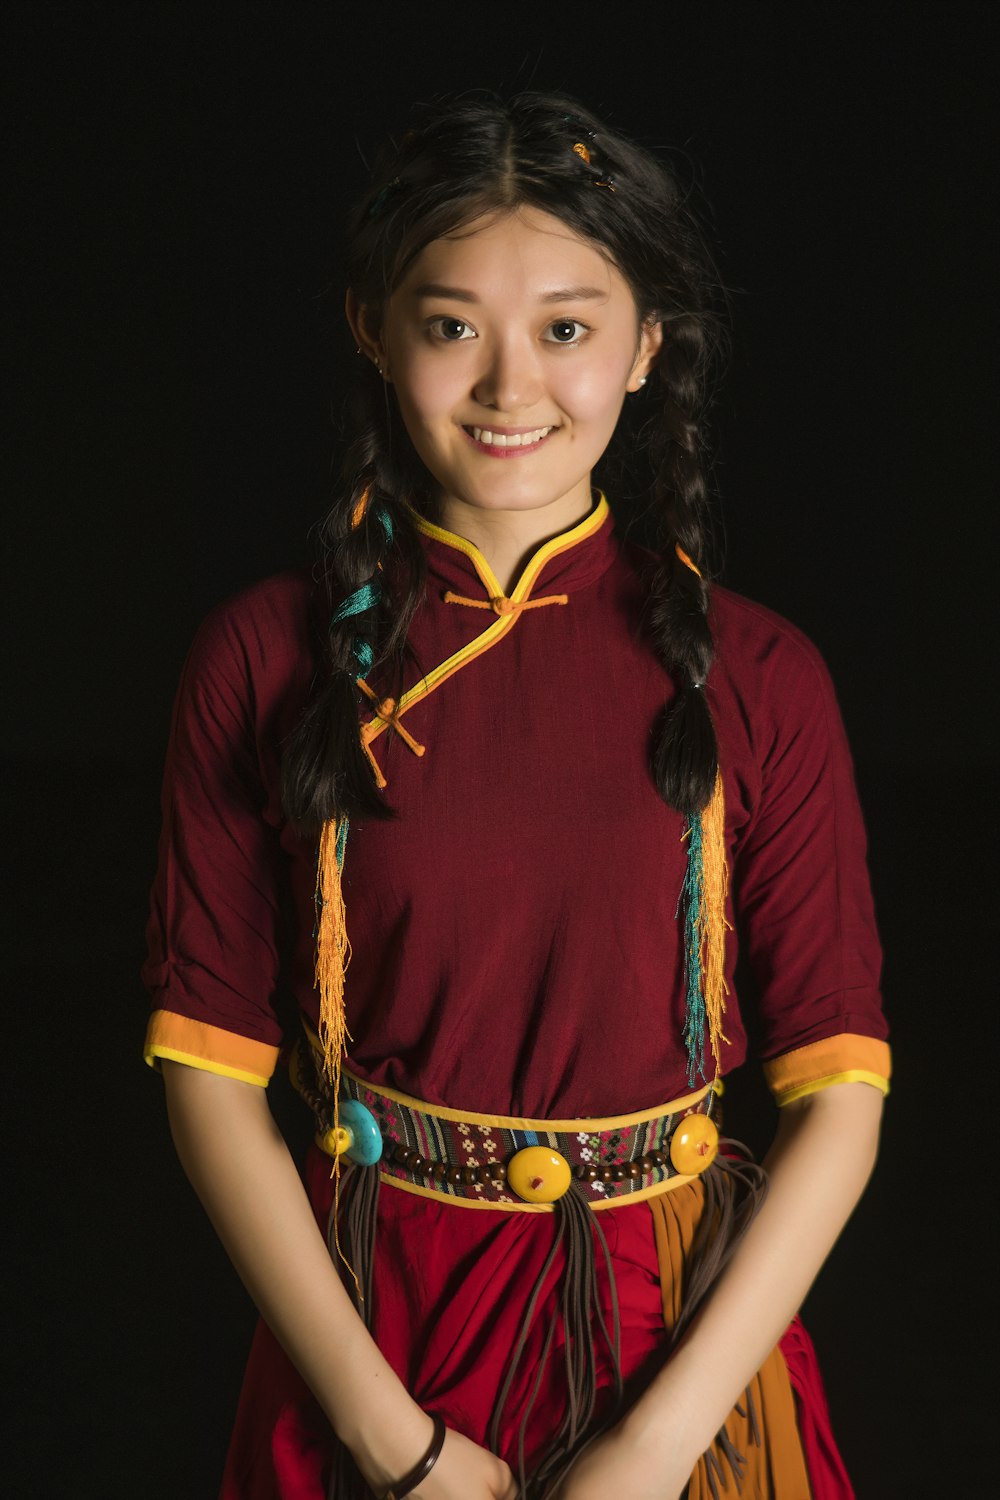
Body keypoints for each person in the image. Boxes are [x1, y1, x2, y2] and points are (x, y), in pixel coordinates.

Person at [143, 92, 890, 1500]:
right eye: (449, 326)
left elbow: (839, 1098)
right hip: (375, 1325)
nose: (508, 386)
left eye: (565, 327)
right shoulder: (263, 656)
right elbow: (206, 1074)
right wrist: (392, 1442)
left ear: (646, 345)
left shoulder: (763, 675)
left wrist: (655, 1451)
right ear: (374, 329)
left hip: (682, 1338)